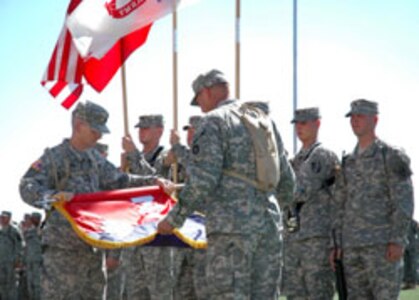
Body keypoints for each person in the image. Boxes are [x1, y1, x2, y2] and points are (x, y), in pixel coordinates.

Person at [158, 69, 296, 299]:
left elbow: (203, 180)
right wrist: (270, 213)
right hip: (269, 226)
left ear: (208, 91)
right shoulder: (262, 119)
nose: (200, 106)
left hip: (232, 230)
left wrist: (174, 218)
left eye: (199, 99)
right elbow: (288, 181)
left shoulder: (213, 121)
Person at [19, 100, 172, 300]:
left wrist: (154, 181)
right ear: (78, 125)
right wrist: (49, 197)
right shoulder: (54, 158)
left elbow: (121, 181)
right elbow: (27, 185)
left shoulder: (96, 160)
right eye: (95, 130)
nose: (99, 135)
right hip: (63, 254)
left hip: (92, 249)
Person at [330, 99, 414, 299]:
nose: (355, 121)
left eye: (360, 116)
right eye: (352, 117)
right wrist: (335, 244)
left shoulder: (391, 156)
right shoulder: (347, 162)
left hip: (382, 247)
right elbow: (339, 205)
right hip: (351, 248)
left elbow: (403, 200)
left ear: (374, 120)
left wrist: (397, 239)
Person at [122, 114, 194, 300]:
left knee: (159, 292)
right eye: (140, 128)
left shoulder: (166, 157)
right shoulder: (131, 159)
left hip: (157, 233)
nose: (141, 132)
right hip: (134, 231)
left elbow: (155, 181)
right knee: (135, 292)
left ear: (159, 131)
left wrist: (133, 154)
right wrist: (124, 168)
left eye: (146, 128)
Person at [281, 107, 338, 299]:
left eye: (304, 123)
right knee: (295, 295)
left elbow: (299, 190)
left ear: (317, 124)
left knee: (317, 293)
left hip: (316, 240)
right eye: (296, 123)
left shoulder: (322, 156)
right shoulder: (295, 160)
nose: (299, 127)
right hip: (294, 238)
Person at [0, 211, 22, 300]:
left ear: (9, 218)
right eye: (1, 217)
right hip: (1, 263)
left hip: (10, 263)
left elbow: (19, 246)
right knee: (1, 284)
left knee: (10, 285)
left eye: (4, 217)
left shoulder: (13, 231)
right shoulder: (1, 231)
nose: (1, 219)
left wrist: (16, 260)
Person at [22, 212, 43, 300]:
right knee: (29, 285)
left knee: (38, 285)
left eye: (35, 218)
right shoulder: (28, 231)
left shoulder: (42, 231)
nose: (33, 220)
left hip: (38, 263)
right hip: (29, 261)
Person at [402, 219, 418, 290]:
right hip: (404, 246)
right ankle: (408, 282)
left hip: (413, 247)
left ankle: (414, 282)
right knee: (406, 265)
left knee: (413, 265)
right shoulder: (398, 222)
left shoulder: (411, 221)